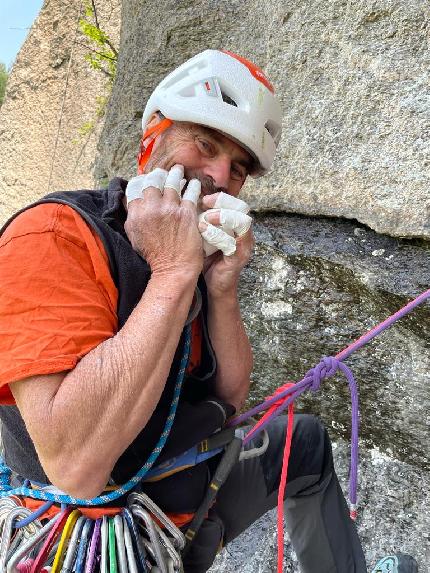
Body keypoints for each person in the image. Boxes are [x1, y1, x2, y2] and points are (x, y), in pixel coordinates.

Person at [0, 49, 417, 573]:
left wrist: (219, 285)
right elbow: (74, 465)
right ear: (153, 135)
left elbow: (230, 396)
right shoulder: (56, 237)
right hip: (100, 537)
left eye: (239, 167)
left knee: (303, 441)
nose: (220, 174)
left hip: (193, 491)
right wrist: (173, 273)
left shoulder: (193, 250)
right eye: (205, 142)